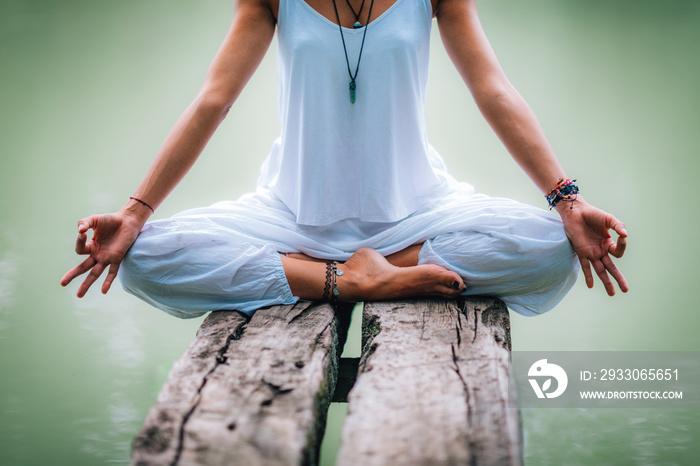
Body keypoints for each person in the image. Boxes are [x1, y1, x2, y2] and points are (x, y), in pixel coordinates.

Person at [60, 0, 628, 319]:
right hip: (294, 217)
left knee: (555, 250)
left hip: (414, 213)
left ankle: (366, 270)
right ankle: (353, 280)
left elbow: (494, 91)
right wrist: (135, 214)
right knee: (143, 258)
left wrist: (567, 201)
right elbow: (214, 100)